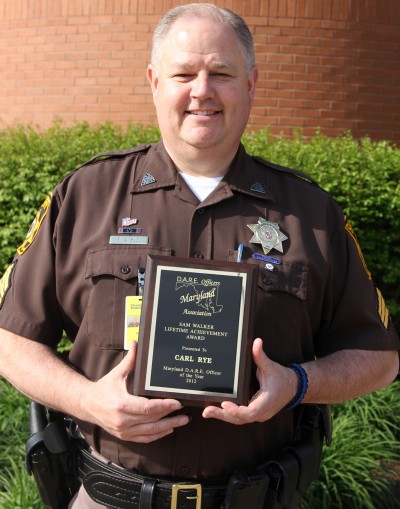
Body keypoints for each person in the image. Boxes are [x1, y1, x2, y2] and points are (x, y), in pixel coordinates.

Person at [0, 4, 398, 509]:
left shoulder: (310, 213)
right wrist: (88, 402)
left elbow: (379, 358)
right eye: (184, 73)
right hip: (110, 496)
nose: (202, 91)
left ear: (251, 84)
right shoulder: (84, 196)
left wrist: (299, 383)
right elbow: (9, 338)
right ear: (154, 81)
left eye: (222, 74)